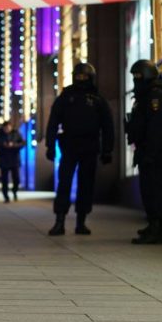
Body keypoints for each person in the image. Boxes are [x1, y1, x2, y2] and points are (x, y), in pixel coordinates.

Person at [44, 63, 114, 236]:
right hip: (69, 145)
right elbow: (53, 122)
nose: (81, 80)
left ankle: (81, 222)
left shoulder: (98, 99)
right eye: (79, 76)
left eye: (85, 77)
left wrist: (107, 150)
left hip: (90, 146)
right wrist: (50, 145)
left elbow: (108, 127)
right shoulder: (66, 96)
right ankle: (59, 221)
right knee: (64, 184)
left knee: (86, 184)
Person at [125, 60, 162, 245]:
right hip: (147, 150)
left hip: (155, 152)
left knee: (154, 191)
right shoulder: (145, 95)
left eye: (138, 76)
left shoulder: (156, 95)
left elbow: (157, 127)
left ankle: (157, 229)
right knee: (148, 190)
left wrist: (151, 153)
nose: (136, 80)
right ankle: (153, 225)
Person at [0, 121, 25, 203]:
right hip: (4, 160)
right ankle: (6, 196)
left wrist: (14, 145)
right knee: (4, 180)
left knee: (16, 178)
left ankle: (15, 191)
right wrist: (3, 145)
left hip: (14, 159)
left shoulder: (16, 134)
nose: (7, 129)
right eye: (5, 128)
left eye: (9, 127)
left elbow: (22, 143)